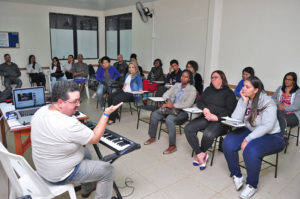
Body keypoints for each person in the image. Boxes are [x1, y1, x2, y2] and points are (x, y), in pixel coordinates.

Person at [31, 80, 123, 199]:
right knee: (108, 170)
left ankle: (87, 188)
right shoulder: (68, 123)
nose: (78, 104)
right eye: (74, 101)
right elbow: (95, 138)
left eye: (78, 100)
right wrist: (106, 113)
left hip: (44, 168)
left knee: (86, 152)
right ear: (60, 103)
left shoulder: (40, 111)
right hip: (58, 175)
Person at [222, 76, 285, 199]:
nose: (243, 89)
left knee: (250, 150)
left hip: (272, 135)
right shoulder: (245, 98)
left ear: (256, 90)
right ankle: (237, 175)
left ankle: (252, 185)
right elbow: (236, 119)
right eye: (243, 86)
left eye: (247, 87)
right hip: (251, 129)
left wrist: (247, 139)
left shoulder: (268, 102)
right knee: (227, 142)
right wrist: (243, 101)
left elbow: (267, 126)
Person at [184, 70, 236, 170]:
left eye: (215, 77)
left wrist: (217, 117)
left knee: (208, 134)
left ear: (222, 79)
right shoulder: (208, 89)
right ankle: (200, 154)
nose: (213, 79)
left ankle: (202, 153)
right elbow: (200, 102)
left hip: (220, 121)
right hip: (206, 117)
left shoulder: (229, 93)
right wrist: (205, 109)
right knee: (188, 128)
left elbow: (230, 111)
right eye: (212, 77)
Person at [144, 70, 196, 154]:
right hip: (170, 108)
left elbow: (188, 104)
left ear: (189, 79)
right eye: (182, 76)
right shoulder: (176, 85)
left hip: (182, 111)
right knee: (154, 114)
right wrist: (168, 101)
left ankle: (172, 145)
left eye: (186, 77)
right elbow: (166, 94)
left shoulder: (192, 89)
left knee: (169, 119)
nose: (183, 78)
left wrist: (173, 105)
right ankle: (152, 137)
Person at [272, 72, 300, 138]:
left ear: (293, 81)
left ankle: (281, 138)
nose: (286, 81)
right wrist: (279, 104)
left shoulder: (298, 91)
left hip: (293, 115)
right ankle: (282, 135)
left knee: (277, 118)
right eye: (286, 79)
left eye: (289, 79)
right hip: (279, 112)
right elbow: (272, 98)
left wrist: (283, 108)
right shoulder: (280, 88)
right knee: (275, 115)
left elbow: (296, 106)